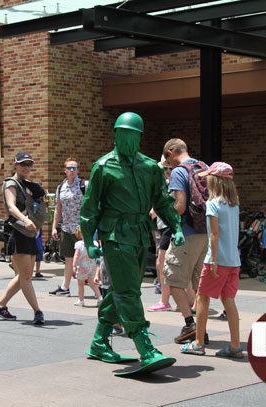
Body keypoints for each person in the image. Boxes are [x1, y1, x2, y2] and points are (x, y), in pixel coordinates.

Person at [81, 112, 184, 373]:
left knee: (121, 289)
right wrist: (90, 239)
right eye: (123, 133)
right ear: (116, 134)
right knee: (128, 292)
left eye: (133, 134)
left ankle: (99, 342)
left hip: (139, 234)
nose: (127, 138)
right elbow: (90, 207)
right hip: (114, 235)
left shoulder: (150, 167)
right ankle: (144, 346)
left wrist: (176, 226)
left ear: (139, 137)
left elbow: (162, 201)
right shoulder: (103, 167)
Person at [180, 162, 243, 358]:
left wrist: (213, 260)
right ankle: (235, 345)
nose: (206, 181)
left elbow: (214, 234)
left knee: (202, 297)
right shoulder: (234, 205)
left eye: (208, 178)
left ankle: (198, 343)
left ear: (215, 180)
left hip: (217, 260)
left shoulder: (213, 204)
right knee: (228, 300)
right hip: (233, 261)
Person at [161, 138, 209, 344]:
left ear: (172, 153)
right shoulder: (203, 167)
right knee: (200, 285)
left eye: (166, 160)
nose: (167, 165)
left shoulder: (180, 171)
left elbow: (179, 206)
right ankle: (201, 330)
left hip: (186, 233)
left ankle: (190, 324)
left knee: (172, 281)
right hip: (205, 232)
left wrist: (166, 210)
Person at [0, 152, 45, 325]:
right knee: (26, 276)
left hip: (30, 232)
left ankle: (0, 306)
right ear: (15, 164)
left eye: (29, 164)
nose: (26, 167)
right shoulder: (10, 184)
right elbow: (12, 206)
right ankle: (37, 311)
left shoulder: (28, 185)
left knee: (24, 274)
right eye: (23, 164)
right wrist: (25, 219)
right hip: (17, 231)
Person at [49, 157, 84, 297]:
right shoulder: (60, 188)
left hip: (81, 228)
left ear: (78, 170)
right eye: (69, 168)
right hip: (66, 227)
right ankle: (65, 287)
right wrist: (54, 227)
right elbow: (58, 209)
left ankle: (96, 286)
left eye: (74, 168)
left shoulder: (84, 185)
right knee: (68, 258)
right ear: (65, 170)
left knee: (87, 257)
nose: (72, 170)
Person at [148, 158, 174, 312]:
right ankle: (191, 300)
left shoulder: (170, 184)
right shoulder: (167, 184)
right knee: (172, 265)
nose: (168, 172)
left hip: (169, 226)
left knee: (161, 263)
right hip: (165, 227)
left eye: (170, 169)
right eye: (165, 169)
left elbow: (160, 206)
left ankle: (164, 301)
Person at [72, 226, 102, 307]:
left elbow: (76, 255)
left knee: (80, 285)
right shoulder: (94, 243)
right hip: (92, 267)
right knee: (92, 284)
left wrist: (74, 266)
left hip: (82, 267)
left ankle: (81, 300)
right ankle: (100, 298)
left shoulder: (79, 244)